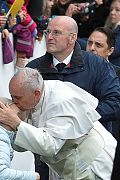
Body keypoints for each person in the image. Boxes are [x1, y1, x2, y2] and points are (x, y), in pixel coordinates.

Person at [26, 15, 120, 180]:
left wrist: (77, 117)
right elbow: (24, 107)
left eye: (56, 32)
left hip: (90, 158)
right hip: (48, 159)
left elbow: (115, 104)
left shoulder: (97, 65)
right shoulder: (33, 69)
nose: (49, 37)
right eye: (47, 32)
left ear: (72, 38)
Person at [0, 68, 117, 179]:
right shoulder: (32, 97)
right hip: (69, 165)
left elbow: (50, 145)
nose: (14, 102)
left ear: (36, 94)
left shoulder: (61, 100)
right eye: (12, 97)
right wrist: (8, 128)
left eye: (17, 98)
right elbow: (25, 145)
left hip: (92, 164)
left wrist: (17, 123)